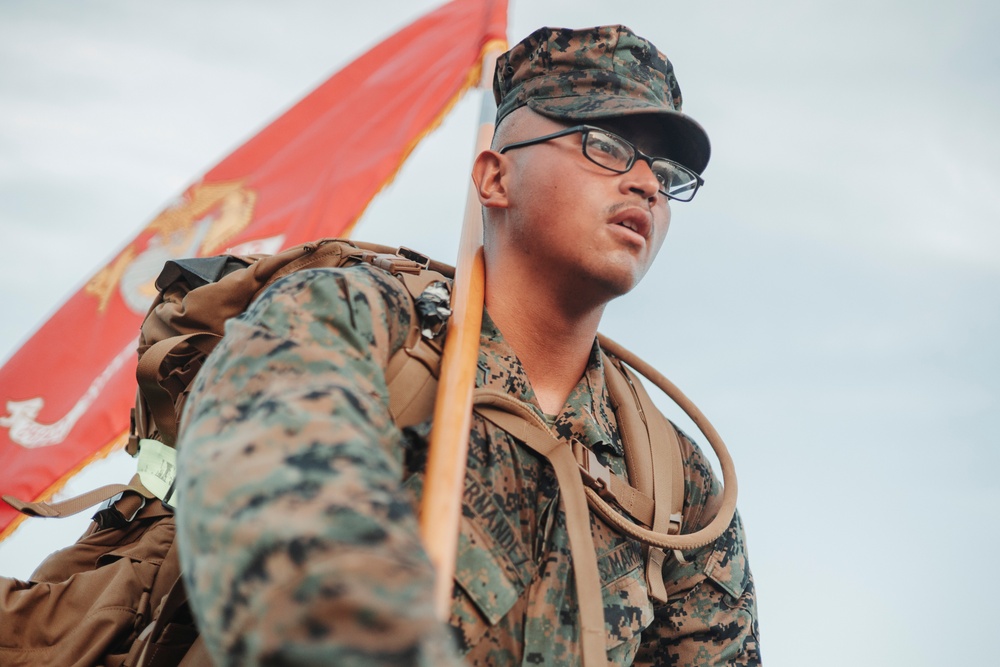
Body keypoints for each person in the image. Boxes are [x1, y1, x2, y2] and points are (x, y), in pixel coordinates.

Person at [175, 25, 761, 666]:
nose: (648, 184)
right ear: (494, 177)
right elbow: (287, 554)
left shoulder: (676, 484)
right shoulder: (352, 321)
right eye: (605, 145)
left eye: (668, 173)